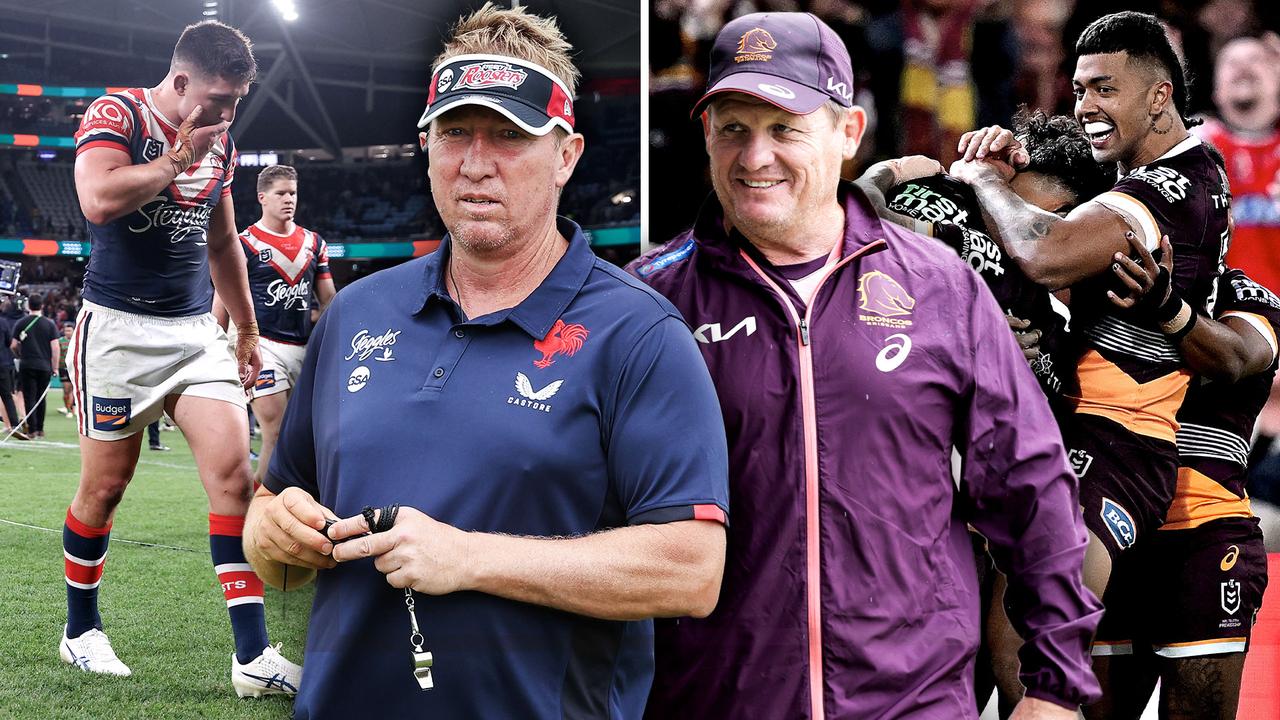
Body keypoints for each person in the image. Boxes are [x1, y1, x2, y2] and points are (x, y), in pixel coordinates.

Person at [243, 5, 729, 717]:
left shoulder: (640, 333)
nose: (476, 162)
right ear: (426, 144)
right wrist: (273, 531)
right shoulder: (354, 315)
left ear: (566, 155)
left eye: (510, 135)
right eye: (455, 132)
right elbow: (273, 521)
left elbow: (691, 571)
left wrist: (470, 560)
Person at [628, 12, 1101, 719]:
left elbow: (1031, 486)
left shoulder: (941, 287)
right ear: (705, 135)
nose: (755, 156)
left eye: (784, 128)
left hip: (913, 703)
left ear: (849, 132)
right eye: (733, 127)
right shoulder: (648, 301)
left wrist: (1056, 688)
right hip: (716, 701)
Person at [949, 10, 1229, 594]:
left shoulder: (1175, 188)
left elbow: (1045, 252)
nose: (1085, 106)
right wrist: (1018, 155)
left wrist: (985, 181)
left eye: (1106, 89)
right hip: (1062, 428)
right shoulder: (1138, 176)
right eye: (1079, 90)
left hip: (1116, 445)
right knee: (1000, 655)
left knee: (1038, 650)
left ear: (1159, 97)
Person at [63, 20, 301, 696]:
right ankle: (81, 630)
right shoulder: (118, 113)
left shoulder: (221, 143)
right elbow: (98, 199)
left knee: (233, 478)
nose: (228, 115)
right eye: (220, 101)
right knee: (105, 490)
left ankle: (252, 659)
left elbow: (223, 245)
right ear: (180, 82)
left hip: (194, 330)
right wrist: (174, 157)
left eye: (238, 103)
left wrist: (247, 331)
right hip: (116, 329)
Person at [1090, 234, 1274, 719]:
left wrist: (1167, 304)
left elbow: (1235, 358)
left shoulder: (1245, 295)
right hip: (1107, 532)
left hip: (1205, 534)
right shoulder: (1099, 284)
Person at [212, 163, 334, 487]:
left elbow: (329, 300)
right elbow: (223, 297)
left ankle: (269, 498)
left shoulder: (314, 243)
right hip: (261, 345)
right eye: (281, 193)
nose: (289, 199)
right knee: (276, 430)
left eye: (293, 192)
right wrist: (214, 346)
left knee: (300, 436)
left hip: (302, 348)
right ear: (262, 197)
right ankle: (260, 513)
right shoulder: (244, 242)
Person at [11, 293, 59, 439]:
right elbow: (55, 348)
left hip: (27, 364)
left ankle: (31, 430)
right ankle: (40, 429)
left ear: (28, 306)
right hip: (44, 365)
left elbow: (13, 345)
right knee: (41, 398)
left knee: (29, 397)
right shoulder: (50, 324)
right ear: (42, 306)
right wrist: (55, 367)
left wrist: (20, 355)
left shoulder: (21, 323)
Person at [0, 299, 27, 439]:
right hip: (3, 363)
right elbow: (8, 342)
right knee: (7, 395)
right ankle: (15, 425)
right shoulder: (3, 322)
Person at [57, 321, 73, 418]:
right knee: (66, 390)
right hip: (63, 368)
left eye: (69, 330)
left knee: (72, 389)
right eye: (66, 330)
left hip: (74, 368)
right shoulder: (60, 341)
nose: (67, 332)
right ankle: (67, 407)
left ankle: (70, 409)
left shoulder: (77, 340)